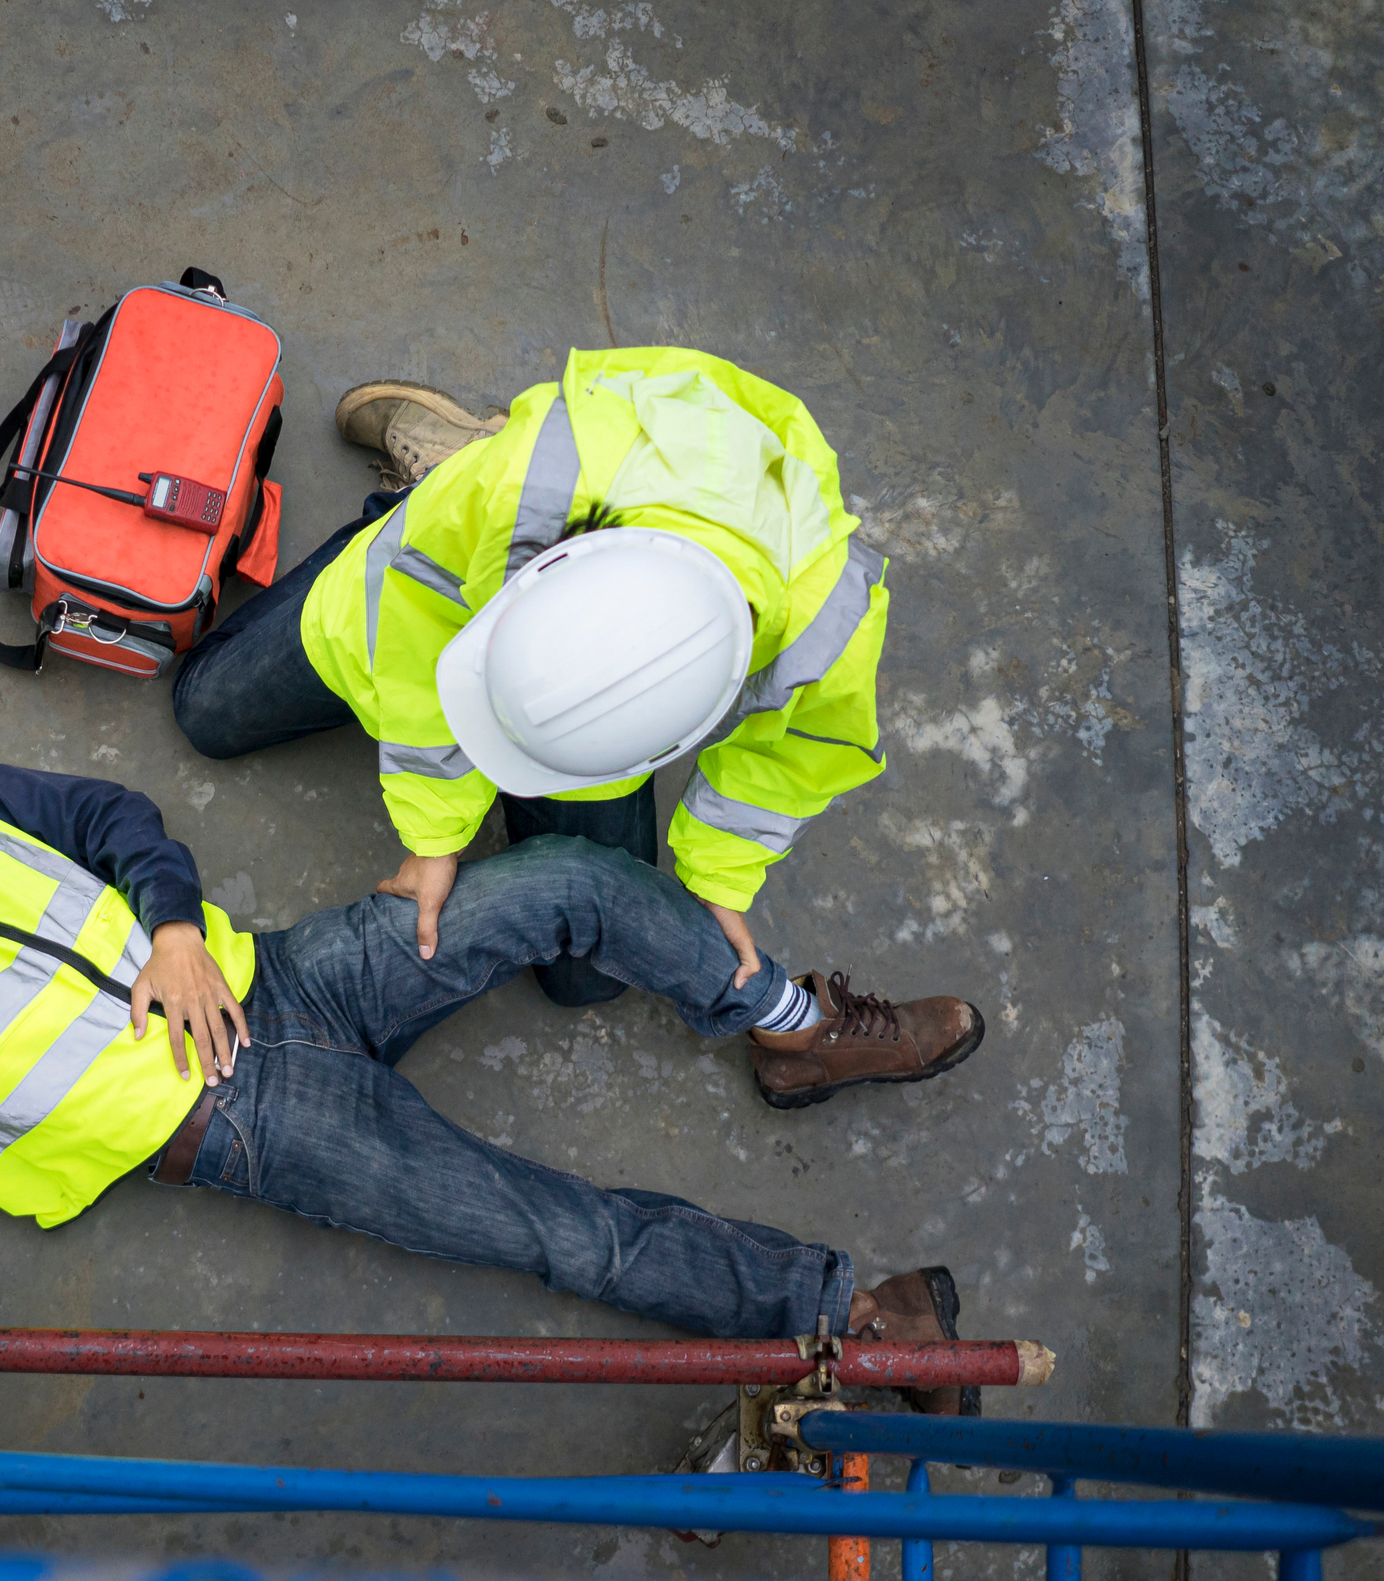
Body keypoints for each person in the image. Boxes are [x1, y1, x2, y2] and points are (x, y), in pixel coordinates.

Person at [0, 673, 973, 1407]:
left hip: (282, 977)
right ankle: (846, 1313)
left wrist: (168, 928)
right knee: (563, 1233)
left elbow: (111, 814)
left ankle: (792, 1027)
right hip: (249, 1128)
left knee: (565, 876)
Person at [171, 349, 980, 1111]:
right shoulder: (524, 485)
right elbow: (411, 637)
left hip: (581, 679)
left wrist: (719, 878)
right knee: (206, 710)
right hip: (440, 555)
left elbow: (798, 757)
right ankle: (432, 479)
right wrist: (434, 835)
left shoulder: (830, 607)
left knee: (587, 981)